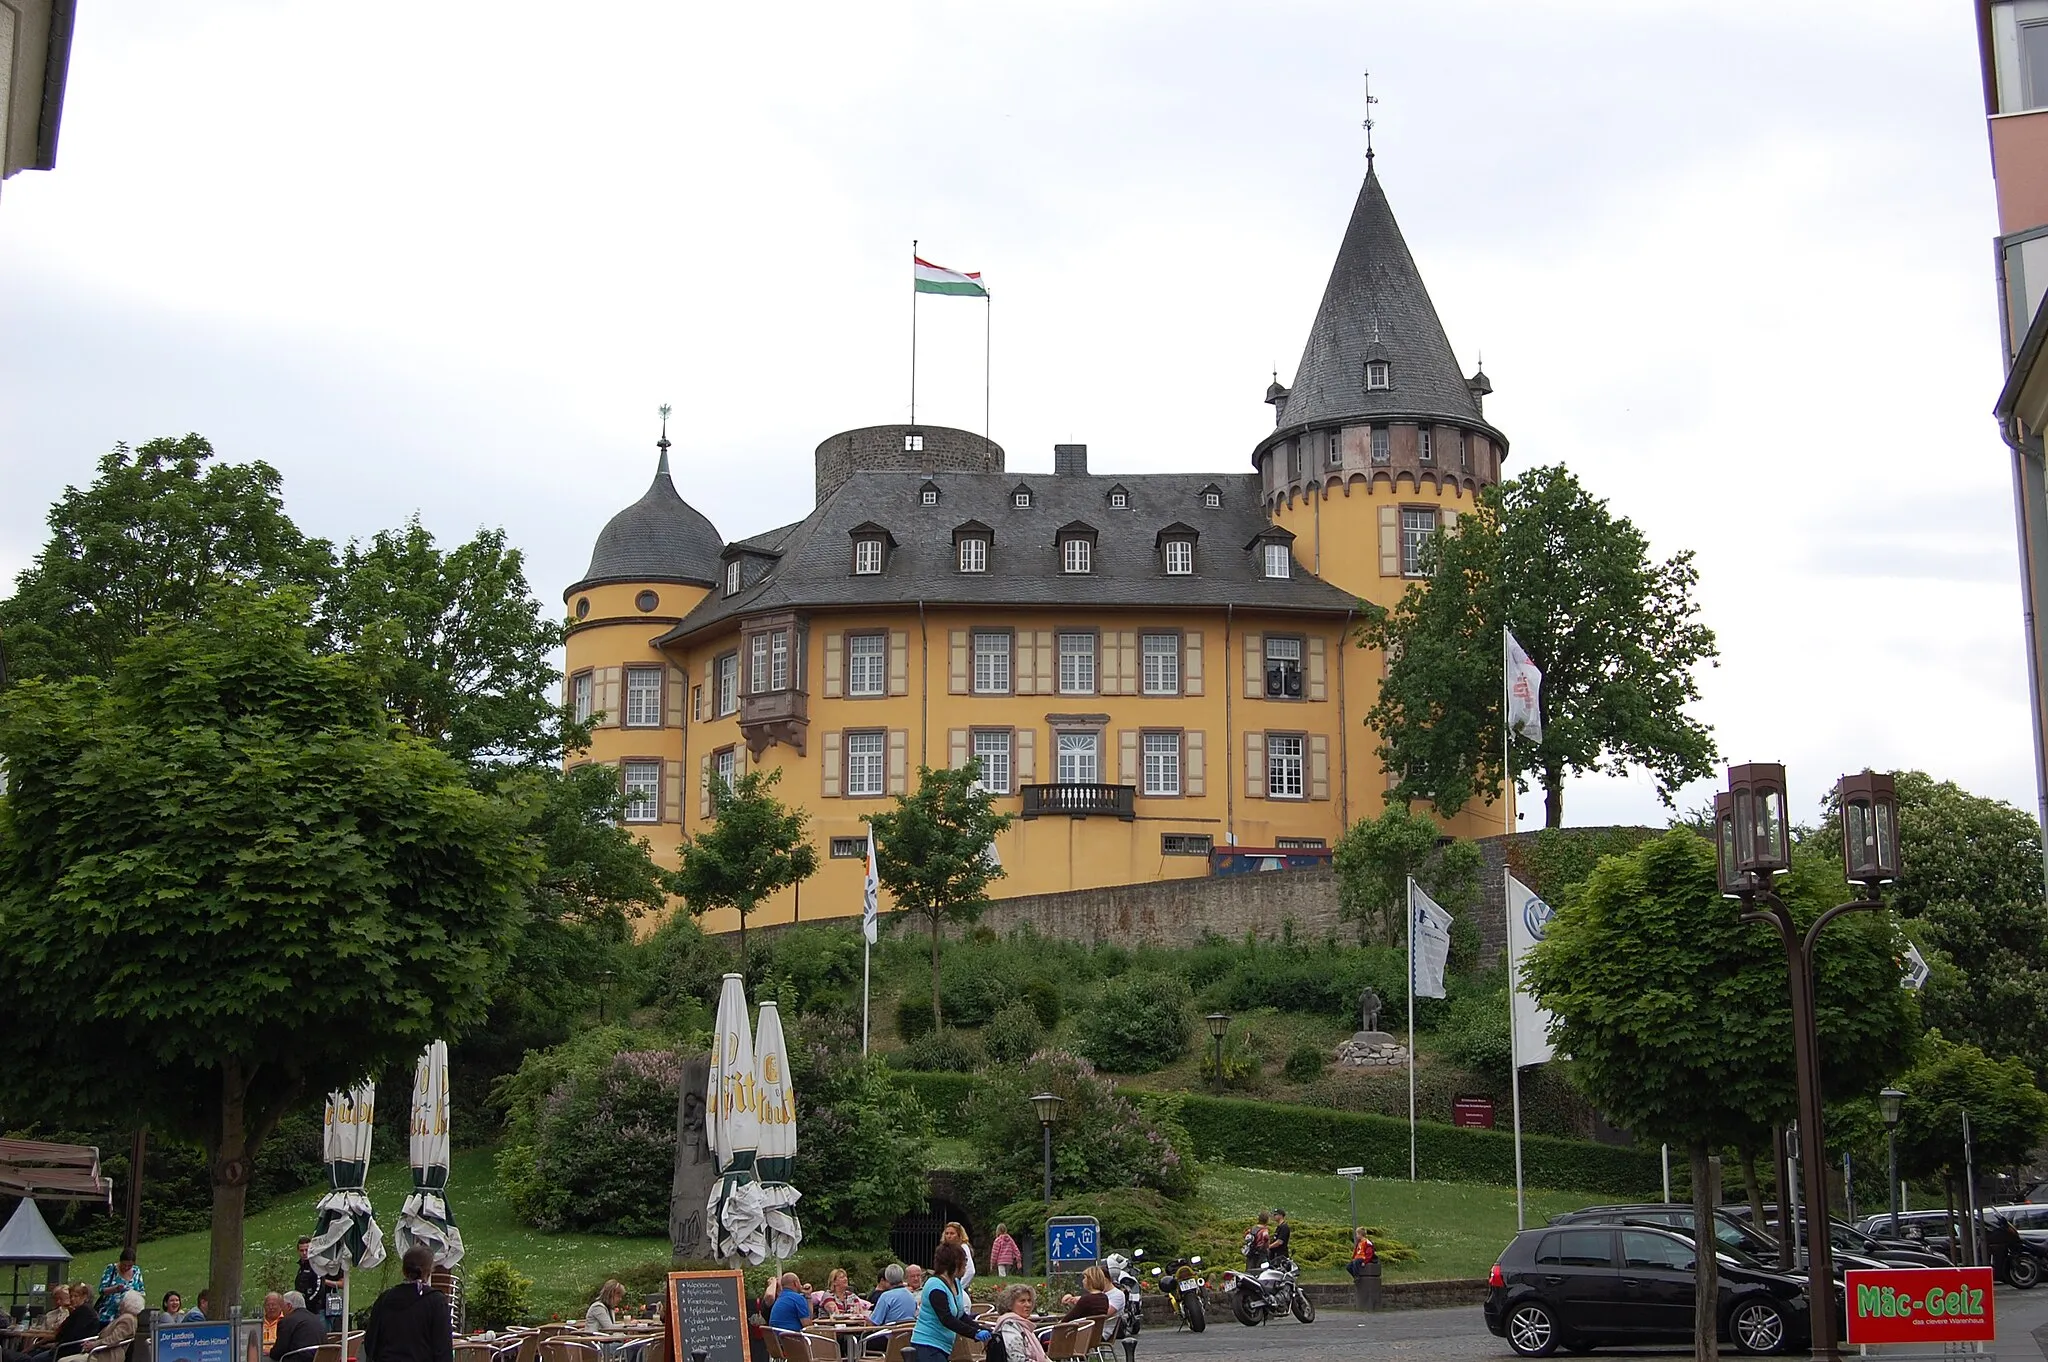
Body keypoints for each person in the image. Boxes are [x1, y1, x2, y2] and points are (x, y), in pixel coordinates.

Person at [361, 1247, 453, 1362]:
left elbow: (371, 1342)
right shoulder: (436, 1301)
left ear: (404, 1270)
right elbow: (443, 1348)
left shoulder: (385, 1299)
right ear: (429, 1271)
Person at [907, 1244, 987, 1362]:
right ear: (954, 1264)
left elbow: (960, 1315)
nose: (965, 1268)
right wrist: (974, 1333)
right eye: (964, 1264)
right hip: (927, 1345)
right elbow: (946, 1319)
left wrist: (982, 1329)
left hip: (943, 1346)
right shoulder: (935, 1286)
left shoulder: (956, 1283)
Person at [990, 1287, 1049, 1362]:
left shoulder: (1024, 1325)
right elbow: (1017, 1359)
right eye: (1022, 1301)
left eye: (1029, 1301)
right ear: (1009, 1304)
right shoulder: (1009, 1326)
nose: (1028, 1305)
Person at [271, 1293, 324, 1362]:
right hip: (320, 1359)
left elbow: (278, 1352)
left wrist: (270, 1353)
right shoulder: (317, 1319)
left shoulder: (287, 1321)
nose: (281, 1310)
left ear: (289, 1306)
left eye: (282, 1306)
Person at [95, 1255, 143, 1325]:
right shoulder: (111, 1268)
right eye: (124, 1265)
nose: (126, 1268)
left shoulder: (136, 1271)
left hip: (126, 1317)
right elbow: (102, 1290)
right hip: (108, 1316)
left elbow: (141, 1291)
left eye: (129, 1266)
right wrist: (115, 1289)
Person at [939, 1224, 975, 1292]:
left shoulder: (963, 1247)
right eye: (947, 1233)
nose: (949, 1236)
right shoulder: (944, 1250)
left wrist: (959, 1288)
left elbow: (970, 1271)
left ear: (959, 1235)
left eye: (952, 1233)